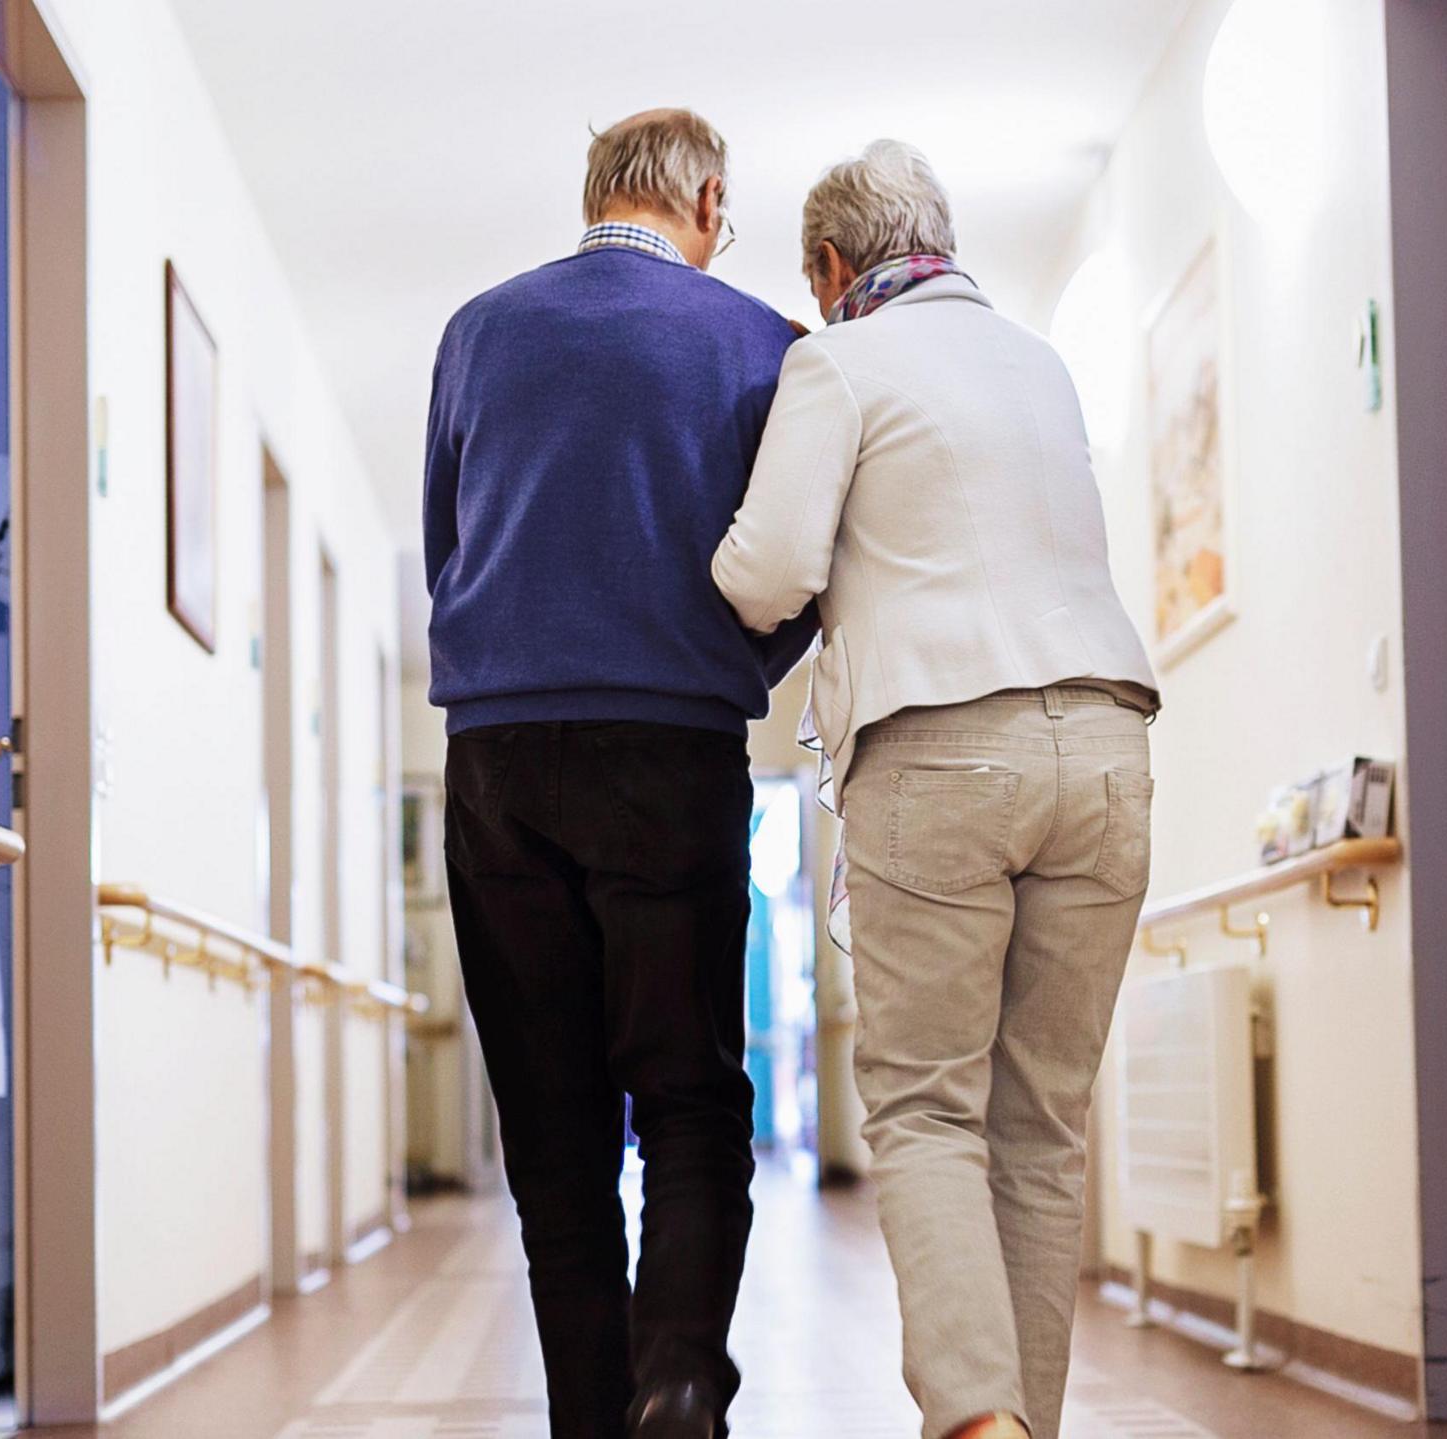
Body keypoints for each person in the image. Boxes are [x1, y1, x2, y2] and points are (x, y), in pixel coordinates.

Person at [711, 140, 1161, 1439]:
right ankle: (1017, 1421)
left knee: (923, 1110)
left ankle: (974, 1425)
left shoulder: (839, 359)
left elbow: (768, 572)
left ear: (831, 267)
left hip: (942, 745)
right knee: (1041, 1129)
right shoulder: (1039, 361)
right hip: (1108, 743)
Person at [422, 108, 812, 1439]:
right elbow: (802, 558)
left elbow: (446, 538)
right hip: (673, 746)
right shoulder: (766, 344)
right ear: (704, 199)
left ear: (598, 195)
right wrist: (742, 658)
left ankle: (590, 1418)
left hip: (499, 758)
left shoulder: (477, 330)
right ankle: (682, 1386)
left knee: (555, 1134)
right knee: (693, 1097)